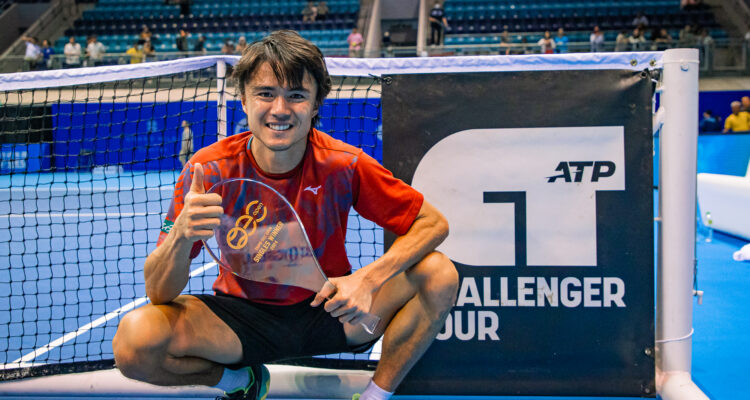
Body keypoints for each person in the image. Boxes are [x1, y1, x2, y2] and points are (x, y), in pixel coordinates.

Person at [112, 29, 458, 400]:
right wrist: (181, 235)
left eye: (296, 95)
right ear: (243, 101)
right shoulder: (208, 170)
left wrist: (367, 280)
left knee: (439, 273)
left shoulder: (344, 164)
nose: (280, 109)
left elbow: (433, 223)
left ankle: (375, 396)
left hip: (332, 309)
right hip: (239, 320)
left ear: (314, 105)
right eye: (265, 93)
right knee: (135, 341)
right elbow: (158, 291)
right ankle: (241, 383)